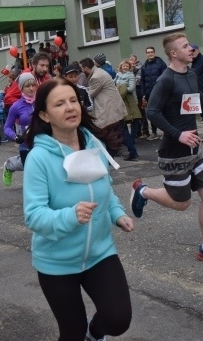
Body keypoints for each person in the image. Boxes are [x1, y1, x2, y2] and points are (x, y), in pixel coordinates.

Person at [23, 78, 134, 341]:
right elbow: (34, 215)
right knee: (71, 333)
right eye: (59, 104)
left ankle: (94, 335)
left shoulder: (94, 144)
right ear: (44, 114)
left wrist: (116, 213)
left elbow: (104, 188)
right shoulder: (39, 158)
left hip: (99, 252)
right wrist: (70, 216)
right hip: (57, 262)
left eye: (73, 100)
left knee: (118, 320)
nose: (70, 107)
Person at [130, 33, 203, 264]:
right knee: (182, 203)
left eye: (189, 45)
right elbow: (152, 112)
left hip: (196, 147)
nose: (190, 49)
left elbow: (195, 96)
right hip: (174, 151)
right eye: (185, 46)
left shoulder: (191, 73)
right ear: (174, 53)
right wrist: (178, 134)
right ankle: (143, 191)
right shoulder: (165, 79)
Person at [78, 57, 126, 157]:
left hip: (109, 106)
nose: (81, 72)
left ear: (86, 68)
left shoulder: (96, 77)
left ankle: (113, 153)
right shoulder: (98, 72)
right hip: (111, 105)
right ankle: (125, 151)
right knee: (118, 130)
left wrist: (79, 93)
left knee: (108, 131)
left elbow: (90, 93)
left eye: (81, 69)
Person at [2, 73, 37, 187]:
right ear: (21, 88)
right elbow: (6, 127)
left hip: (43, 143)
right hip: (26, 145)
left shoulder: (42, 102)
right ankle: (9, 165)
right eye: (28, 86)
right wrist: (16, 137)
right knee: (32, 175)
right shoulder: (16, 106)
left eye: (33, 85)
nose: (31, 88)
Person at [115, 60, 141, 162]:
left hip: (130, 102)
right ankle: (131, 146)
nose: (125, 67)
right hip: (120, 101)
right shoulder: (117, 75)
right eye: (123, 66)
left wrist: (121, 87)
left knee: (131, 122)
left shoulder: (131, 75)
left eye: (127, 66)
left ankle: (131, 144)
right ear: (120, 67)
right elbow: (113, 85)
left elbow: (131, 88)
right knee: (124, 125)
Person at [139, 46, 167, 140]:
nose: (150, 54)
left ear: (154, 53)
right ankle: (154, 132)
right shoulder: (144, 66)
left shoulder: (160, 63)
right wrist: (143, 93)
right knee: (152, 113)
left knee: (163, 113)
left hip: (160, 92)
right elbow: (142, 80)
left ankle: (166, 132)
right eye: (148, 52)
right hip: (149, 94)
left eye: (151, 52)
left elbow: (165, 77)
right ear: (146, 54)